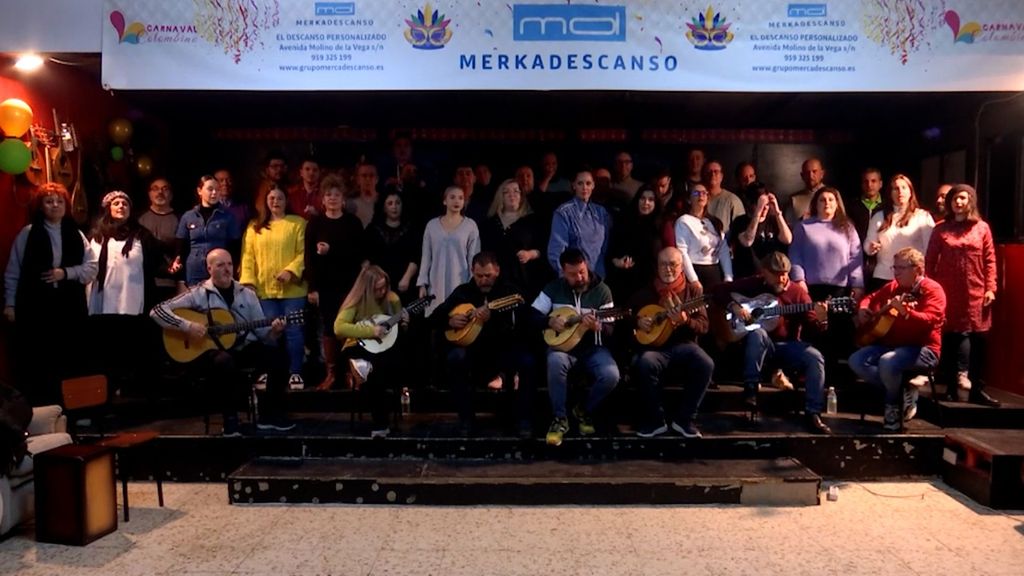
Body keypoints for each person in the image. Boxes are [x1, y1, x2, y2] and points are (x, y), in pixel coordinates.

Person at [150, 249, 292, 435]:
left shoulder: (247, 294)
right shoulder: (198, 293)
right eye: (220, 265)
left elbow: (263, 335)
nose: (227, 269)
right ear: (209, 269)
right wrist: (187, 326)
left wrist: (274, 332)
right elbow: (157, 311)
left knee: (279, 357)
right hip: (210, 354)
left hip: (241, 348)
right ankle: (230, 420)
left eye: (230, 264)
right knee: (224, 362)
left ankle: (270, 414)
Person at [715, 252, 832, 434]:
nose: (781, 278)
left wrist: (822, 319)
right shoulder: (755, 283)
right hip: (759, 347)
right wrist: (735, 307)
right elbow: (718, 290)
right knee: (758, 332)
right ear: (764, 273)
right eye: (776, 274)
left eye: (784, 273)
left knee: (814, 357)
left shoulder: (798, 293)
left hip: (787, 347)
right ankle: (751, 391)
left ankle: (813, 412)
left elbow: (815, 328)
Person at [3, 183, 96, 405]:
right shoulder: (27, 234)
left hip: (69, 307)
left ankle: (72, 410)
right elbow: (13, 270)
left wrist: (65, 273)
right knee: (39, 360)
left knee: (71, 358)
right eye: (49, 201)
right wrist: (10, 304)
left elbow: (91, 268)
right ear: (40, 206)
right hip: (36, 307)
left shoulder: (76, 234)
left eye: (59, 201)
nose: (55, 205)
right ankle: (43, 410)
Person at [433, 252, 535, 438]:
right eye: (479, 276)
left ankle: (524, 420)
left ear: (497, 271)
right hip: (473, 352)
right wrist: (450, 320)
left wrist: (493, 318)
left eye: (488, 275)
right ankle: (466, 419)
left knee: (527, 361)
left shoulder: (508, 291)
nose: (483, 280)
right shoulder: (463, 292)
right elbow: (435, 317)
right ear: (472, 271)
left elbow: (523, 320)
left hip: (502, 348)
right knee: (455, 358)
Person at [531, 248, 620, 446]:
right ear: (563, 272)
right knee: (554, 361)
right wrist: (549, 322)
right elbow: (532, 315)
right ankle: (559, 419)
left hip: (593, 349)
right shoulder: (553, 288)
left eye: (582, 271)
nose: (579, 277)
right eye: (573, 274)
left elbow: (611, 329)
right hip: (563, 348)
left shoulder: (602, 291)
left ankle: (583, 410)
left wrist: (599, 327)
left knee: (611, 375)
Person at [849, 247, 945, 430]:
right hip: (893, 345)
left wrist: (907, 313)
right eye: (895, 267)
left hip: (924, 350)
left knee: (888, 362)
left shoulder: (933, 290)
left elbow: (931, 321)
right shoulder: (893, 287)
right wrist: (863, 308)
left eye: (901, 268)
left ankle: (893, 405)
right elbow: (871, 297)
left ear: (918, 269)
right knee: (857, 360)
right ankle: (902, 390)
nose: (896, 272)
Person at [925, 184, 999, 406]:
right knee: (951, 337)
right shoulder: (940, 229)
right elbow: (929, 261)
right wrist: (930, 290)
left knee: (977, 339)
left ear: (971, 201)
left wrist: (991, 288)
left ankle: (977, 388)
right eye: (955, 198)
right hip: (948, 291)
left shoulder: (982, 228)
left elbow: (990, 260)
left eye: (963, 198)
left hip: (976, 291)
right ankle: (947, 386)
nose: (959, 202)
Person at [629, 247, 713, 438]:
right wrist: (637, 321)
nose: (668, 269)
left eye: (673, 264)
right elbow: (628, 317)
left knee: (705, 362)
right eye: (663, 264)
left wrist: (686, 321)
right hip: (655, 348)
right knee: (645, 362)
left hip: (685, 345)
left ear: (681, 266)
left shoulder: (693, 293)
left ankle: (684, 420)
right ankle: (655, 421)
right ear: (657, 267)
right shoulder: (646, 291)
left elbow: (704, 326)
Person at [86, 191, 161, 394]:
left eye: (125, 204)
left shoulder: (142, 235)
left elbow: (156, 263)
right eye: (117, 203)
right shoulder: (97, 235)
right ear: (108, 209)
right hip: (103, 303)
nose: (121, 206)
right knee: (106, 351)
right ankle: (107, 392)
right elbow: (89, 266)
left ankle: (130, 391)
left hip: (131, 304)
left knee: (130, 350)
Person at [240, 187, 308, 390]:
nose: (275, 201)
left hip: (293, 290)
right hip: (264, 290)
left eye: (280, 198)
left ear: (286, 201)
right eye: (271, 198)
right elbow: (247, 257)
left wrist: (290, 270)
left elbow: (303, 253)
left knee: (294, 331)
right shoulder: (255, 227)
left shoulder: (298, 224)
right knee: (268, 333)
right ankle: (268, 372)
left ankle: (295, 372)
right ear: (265, 201)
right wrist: (248, 283)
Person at [305, 175, 365, 391]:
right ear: (322, 198)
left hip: (350, 285)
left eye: (336, 195)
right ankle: (332, 374)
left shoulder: (352, 223)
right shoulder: (315, 224)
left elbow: (358, 254)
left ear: (343, 199)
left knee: (350, 328)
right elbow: (308, 259)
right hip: (325, 286)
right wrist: (312, 287)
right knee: (329, 328)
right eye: (328, 194)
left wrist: (332, 251)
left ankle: (351, 373)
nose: (332, 198)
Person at [333, 265, 406, 438]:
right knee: (374, 370)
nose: (381, 292)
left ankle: (384, 418)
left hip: (384, 348)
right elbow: (338, 328)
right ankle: (380, 422)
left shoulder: (393, 299)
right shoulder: (357, 301)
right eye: (377, 289)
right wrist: (370, 331)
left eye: (384, 287)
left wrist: (404, 323)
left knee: (383, 364)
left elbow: (396, 330)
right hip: (358, 346)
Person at [479, 179, 549, 301]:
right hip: (495, 282)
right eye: (507, 192)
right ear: (500, 196)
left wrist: (530, 254)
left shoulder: (532, 221)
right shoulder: (489, 224)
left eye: (516, 191)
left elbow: (543, 248)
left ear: (521, 196)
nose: (512, 195)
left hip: (524, 281)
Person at [418, 186, 481, 318]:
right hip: (436, 282)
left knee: (458, 317)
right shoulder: (432, 225)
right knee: (436, 319)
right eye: (452, 197)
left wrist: (472, 285)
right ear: (444, 201)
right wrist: (422, 284)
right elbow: (426, 257)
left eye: (460, 198)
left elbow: (474, 258)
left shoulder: (470, 226)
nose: (456, 201)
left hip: (460, 281)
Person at [863, 174, 934, 293]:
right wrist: (871, 247)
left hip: (911, 279)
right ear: (890, 193)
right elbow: (867, 245)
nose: (900, 191)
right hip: (883, 276)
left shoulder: (923, 216)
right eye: (896, 188)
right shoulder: (879, 216)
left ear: (911, 192)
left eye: (904, 188)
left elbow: (930, 250)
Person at [172, 175, 242, 288]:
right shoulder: (188, 216)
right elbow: (181, 247)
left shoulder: (228, 217)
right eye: (210, 189)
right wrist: (179, 271)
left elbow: (235, 247)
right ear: (200, 191)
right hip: (194, 272)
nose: (214, 193)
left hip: (218, 271)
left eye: (217, 189)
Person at [547, 168, 614, 279]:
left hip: (598, 278)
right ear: (573, 185)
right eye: (580, 183)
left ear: (593, 185)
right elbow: (556, 251)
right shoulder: (563, 213)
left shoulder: (601, 212)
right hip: (574, 279)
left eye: (588, 183)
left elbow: (606, 248)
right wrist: (566, 275)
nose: (584, 187)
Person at [607, 186, 662, 302]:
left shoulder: (660, 225)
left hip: (647, 283)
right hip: (621, 280)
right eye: (642, 198)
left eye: (651, 200)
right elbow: (611, 250)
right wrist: (616, 261)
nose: (646, 203)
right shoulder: (623, 221)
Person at [674, 184, 733, 291]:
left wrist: (728, 276)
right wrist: (693, 279)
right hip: (695, 268)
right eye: (696, 193)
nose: (701, 195)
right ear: (689, 199)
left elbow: (723, 250)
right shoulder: (683, 221)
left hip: (714, 270)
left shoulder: (714, 222)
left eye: (704, 193)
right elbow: (682, 252)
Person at [729, 182, 792, 279]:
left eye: (766, 205)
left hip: (772, 277)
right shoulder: (740, 221)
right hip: (748, 276)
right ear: (750, 204)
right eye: (759, 205)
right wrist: (758, 213)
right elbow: (747, 241)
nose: (765, 208)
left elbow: (787, 239)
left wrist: (777, 212)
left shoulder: (774, 221)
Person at [137, 177, 180, 302]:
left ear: (171, 195)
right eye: (155, 189)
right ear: (149, 194)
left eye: (164, 189)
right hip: (143, 282)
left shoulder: (180, 219)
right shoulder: (139, 219)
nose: (160, 193)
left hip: (169, 283)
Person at [783, 157, 826, 230]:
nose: (810, 176)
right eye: (807, 173)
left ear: (822, 174)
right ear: (802, 176)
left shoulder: (833, 196)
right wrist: (801, 221)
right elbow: (787, 227)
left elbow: (841, 222)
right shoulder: (794, 199)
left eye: (814, 171)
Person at [703, 160, 745, 229]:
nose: (712, 174)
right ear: (704, 175)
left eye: (716, 172)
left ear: (721, 176)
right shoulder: (699, 199)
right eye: (709, 172)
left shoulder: (733, 200)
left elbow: (741, 230)